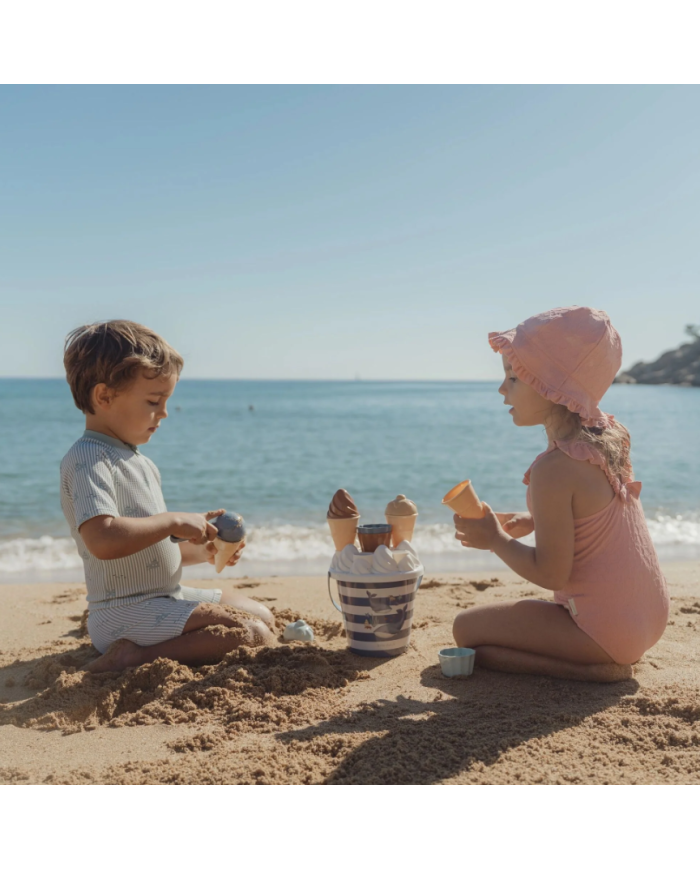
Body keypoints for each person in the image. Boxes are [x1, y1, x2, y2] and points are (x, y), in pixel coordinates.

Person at [452, 306, 669, 682]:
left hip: (603, 633)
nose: (502, 388)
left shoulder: (551, 470)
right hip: (649, 618)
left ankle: (592, 671)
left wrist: (496, 540)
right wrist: (533, 521)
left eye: (513, 378)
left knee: (466, 632)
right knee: (483, 640)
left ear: (551, 387)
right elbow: (594, 510)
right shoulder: (609, 435)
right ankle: (602, 658)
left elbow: (552, 574)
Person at [60, 320, 275, 673]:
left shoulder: (140, 462)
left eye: (166, 401)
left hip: (162, 597)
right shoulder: (88, 458)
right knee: (252, 633)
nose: (164, 413)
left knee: (261, 615)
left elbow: (149, 550)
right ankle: (131, 657)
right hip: (123, 611)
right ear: (104, 396)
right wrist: (174, 520)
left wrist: (202, 551)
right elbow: (103, 539)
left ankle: (154, 647)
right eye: (153, 401)